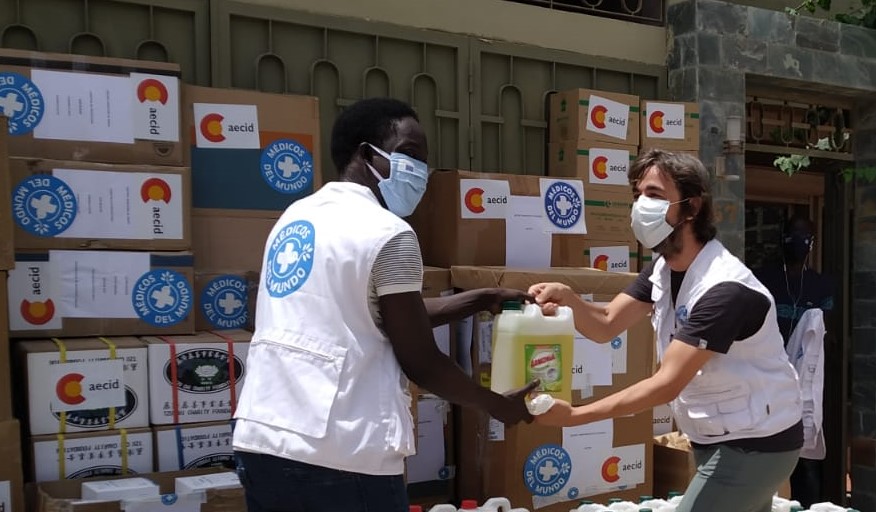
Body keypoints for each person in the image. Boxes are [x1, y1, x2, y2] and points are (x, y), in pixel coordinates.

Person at [232, 98, 537, 512]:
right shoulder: (388, 233)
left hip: (262, 440)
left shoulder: (295, 217)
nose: (420, 172)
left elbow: (368, 314)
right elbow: (421, 360)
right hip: (341, 453)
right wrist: (496, 405)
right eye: (409, 154)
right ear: (364, 153)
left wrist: (481, 299)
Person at [529, 149, 803, 512]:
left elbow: (667, 383)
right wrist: (570, 300)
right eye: (638, 194)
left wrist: (576, 416)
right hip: (717, 438)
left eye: (655, 195)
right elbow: (607, 322)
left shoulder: (724, 289)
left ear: (691, 208)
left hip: (757, 444)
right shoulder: (663, 269)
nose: (642, 205)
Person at [755, 216, 834, 508]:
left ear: (812, 243)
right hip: (766, 379)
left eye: (804, 237)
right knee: (765, 451)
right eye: (793, 236)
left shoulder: (821, 285)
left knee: (804, 456)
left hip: (805, 379)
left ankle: (805, 505)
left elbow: (828, 333)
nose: (798, 243)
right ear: (782, 239)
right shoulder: (764, 279)